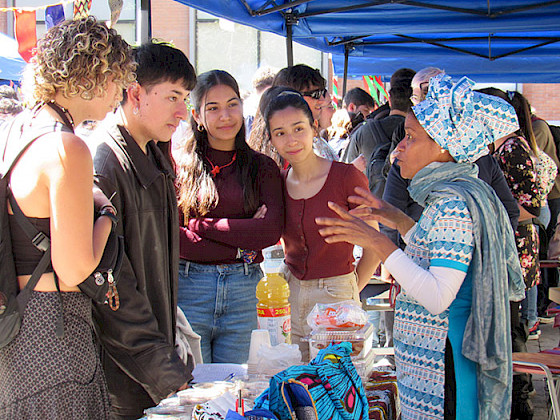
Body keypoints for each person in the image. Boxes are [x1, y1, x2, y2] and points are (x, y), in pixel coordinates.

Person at [317, 74, 525, 419]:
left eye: (410, 138)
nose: (399, 148)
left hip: (447, 363)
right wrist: (398, 220)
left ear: (444, 147)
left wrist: (378, 242)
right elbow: (440, 253)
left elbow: (438, 295)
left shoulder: (452, 204)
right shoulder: (454, 194)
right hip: (447, 355)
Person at [0, 17, 135, 418]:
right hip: (53, 329)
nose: (119, 93)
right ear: (92, 75)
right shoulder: (67, 147)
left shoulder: (16, 130)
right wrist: (107, 213)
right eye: (117, 79)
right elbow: (74, 267)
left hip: (14, 327)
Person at [90, 40, 196, 419]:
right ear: (135, 93)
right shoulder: (105, 162)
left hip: (152, 364)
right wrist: (163, 369)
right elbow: (111, 290)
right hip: (123, 376)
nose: (183, 111)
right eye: (172, 97)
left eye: (184, 98)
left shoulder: (152, 153)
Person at [263, 88, 380, 361]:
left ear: (314, 128)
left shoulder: (346, 177)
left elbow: (375, 245)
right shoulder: (276, 183)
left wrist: (348, 291)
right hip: (288, 294)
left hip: (336, 294)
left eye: (298, 128)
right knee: (293, 388)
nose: (291, 140)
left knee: (338, 388)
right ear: (271, 139)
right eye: (280, 133)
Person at [176, 70, 283, 364]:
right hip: (190, 288)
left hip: (244, 290)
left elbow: (269, 233)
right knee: (194, 393)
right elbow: (174, 239)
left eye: (232, 104)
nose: (225, 115)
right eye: (213, 108)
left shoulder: (263, 167)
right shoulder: (179, 168)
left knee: (238, 391)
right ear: (197, 115)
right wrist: (243, 238)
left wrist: (198, 225)